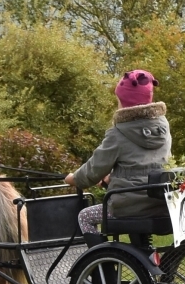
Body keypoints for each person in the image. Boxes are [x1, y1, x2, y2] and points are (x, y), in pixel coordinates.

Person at [65, 69, 171, 242]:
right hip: (161, 202)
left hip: (129, 206)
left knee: (85, 217)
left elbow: (93, 171)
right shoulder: (163, 127)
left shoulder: (118, 133)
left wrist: (74, 179)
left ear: (124, 100)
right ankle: (139, 258)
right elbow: (145, 166)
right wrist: (111, 179)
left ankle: (103, 267)